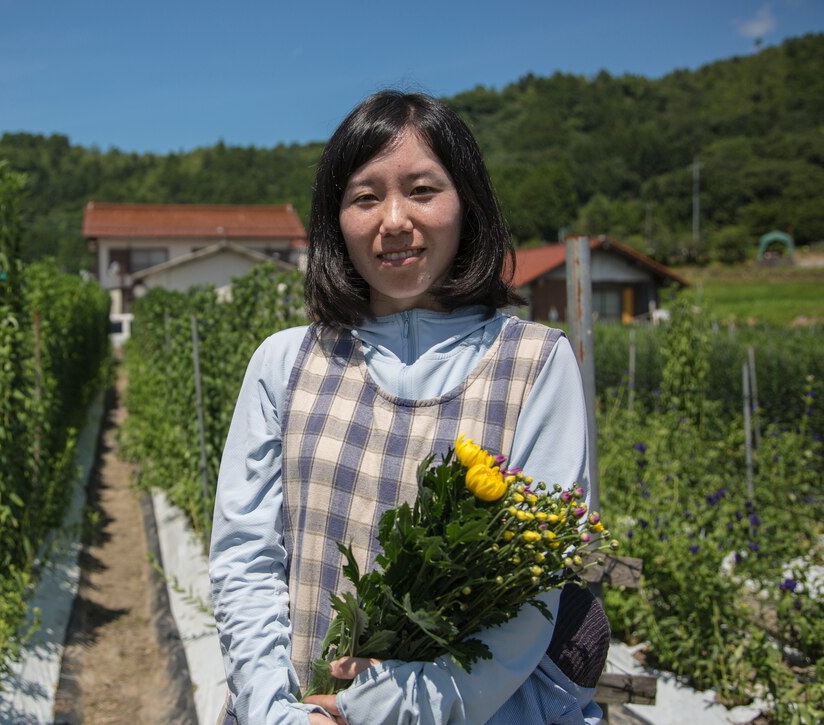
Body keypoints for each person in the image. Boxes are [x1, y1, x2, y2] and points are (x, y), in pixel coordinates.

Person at [209, 89, 606, 724]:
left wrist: (363, 712)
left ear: (467, 203)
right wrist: (276, 711)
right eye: (365, 197)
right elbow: (245, 559)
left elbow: (532, 591)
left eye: (422, 190)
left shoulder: (534, 364)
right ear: (335, 218)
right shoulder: (287, 362)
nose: (394, 220)